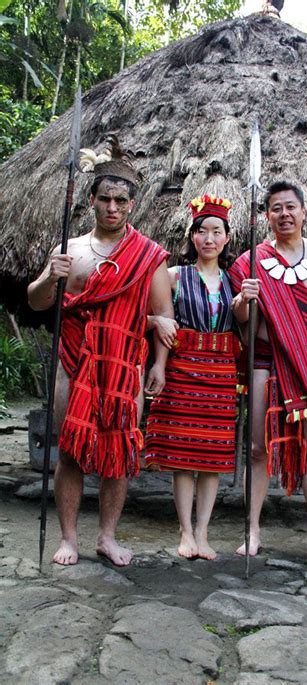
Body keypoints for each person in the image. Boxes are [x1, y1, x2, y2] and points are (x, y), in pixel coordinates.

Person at [27, 139, 173, 567]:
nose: (112, 207)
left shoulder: (147, 257)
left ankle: (107, 536)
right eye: (105, 199)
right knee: (69, 451)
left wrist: (160, 366)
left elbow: (163, 317)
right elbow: (37, 302)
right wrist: (48, 281)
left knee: (119, 452)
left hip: (126, 365)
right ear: (90, 200)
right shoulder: (68, 250)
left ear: (131, 205)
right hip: (74, 364)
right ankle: (69, 538)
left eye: (120, 200)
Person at [229, 180, 307, 564]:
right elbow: (243, 328)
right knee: (256, 448)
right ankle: (252, 530)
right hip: (266, 359)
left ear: (304, 211)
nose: (284, 214)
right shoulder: (250, 260)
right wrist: (243, 303)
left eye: (290, 207)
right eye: (276, 208)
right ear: (266, 216)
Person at [144, 194, 259, 560]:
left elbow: (243, 323)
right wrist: (158, 364)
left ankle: (204, 533)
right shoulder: (175, 276)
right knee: (182, 455)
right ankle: (185, 532)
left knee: (212, 457)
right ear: (192, 237)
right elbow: (154, 320)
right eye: (202, 231)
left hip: (221, 371)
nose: (209, 239)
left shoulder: (235, 281)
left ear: (227, 238)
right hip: (182, 368)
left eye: (216, 232)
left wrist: (244, 301)